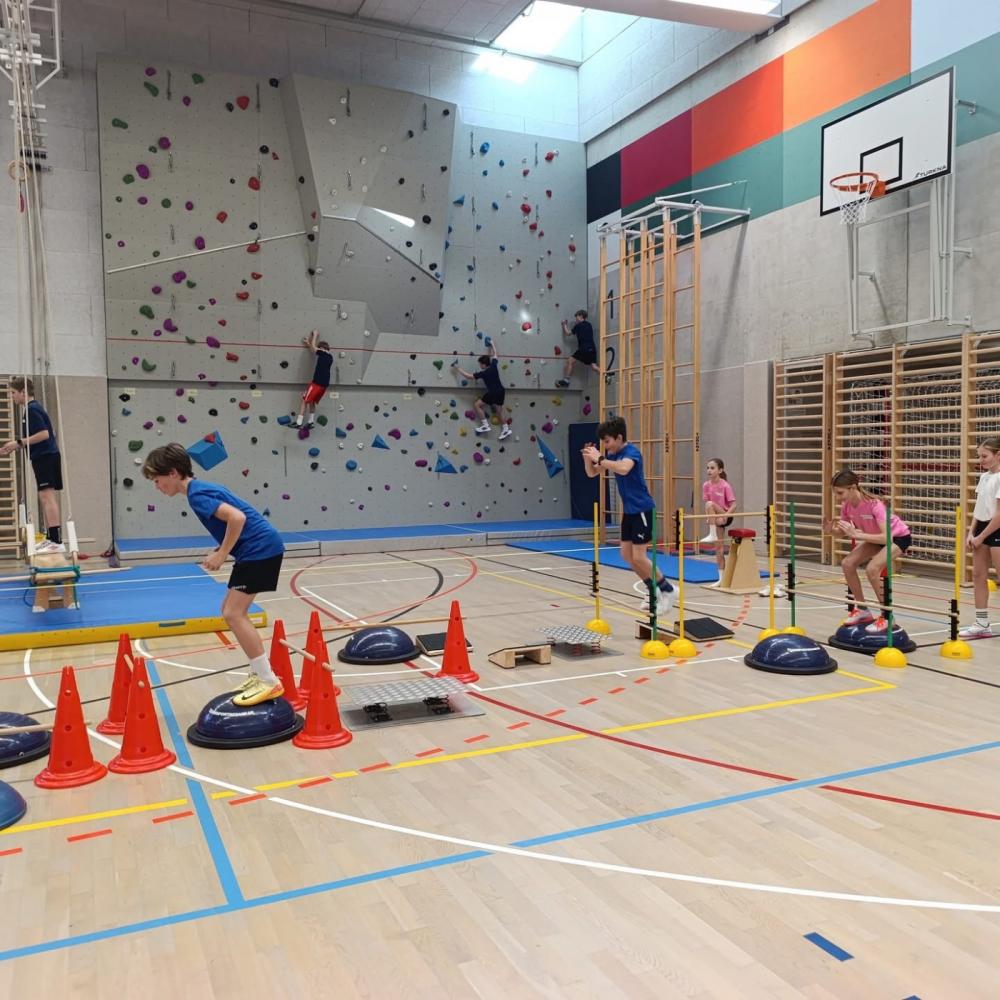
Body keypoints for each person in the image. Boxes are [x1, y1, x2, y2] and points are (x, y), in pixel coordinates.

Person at [142, 443, 286, 706]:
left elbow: (237, 518)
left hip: (260, 550)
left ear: (173, 473)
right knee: (230, 610)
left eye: (157, 480)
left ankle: (268, 680)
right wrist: (222, 548)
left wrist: (222, 555)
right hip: (257, 549)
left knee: (233, 613)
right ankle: (259, 674)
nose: (157, 486)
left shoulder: (197, 494)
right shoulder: (200, 489)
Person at [582, 416, 674, 613]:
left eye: (607, 441)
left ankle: (668, 590)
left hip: (642, 510)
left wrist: (600, 458)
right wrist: (587, 458)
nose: (606, 446)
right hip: (630, 512)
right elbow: (592, 473)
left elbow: (624, 469)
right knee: (626, 555)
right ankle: (652, 589)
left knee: (639, 557)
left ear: (619, 437)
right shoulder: (613, 455)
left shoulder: (631, 452)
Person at [827, 470, 913, 634]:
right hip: (875, 538)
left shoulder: (875, 505)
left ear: (853, 488)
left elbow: (886, 538)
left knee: (872, 569)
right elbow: (842, 532)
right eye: (835, 493)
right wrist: (831, 530)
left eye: (840, 493)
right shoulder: (847, 506)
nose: (837, 497)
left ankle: (887, 616)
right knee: (847, 564)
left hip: (897, 538)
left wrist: (857, 535)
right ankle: (862, 610)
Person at [0, 377, 65, 553]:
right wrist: (15, 446)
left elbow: (44, 434)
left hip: (46, 457)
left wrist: (18, 443)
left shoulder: (32, 409)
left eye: (13, 393)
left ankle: (56, 540)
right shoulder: (31, 409)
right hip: (43, 456)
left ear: (24, 392)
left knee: (47, 497)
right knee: (44, 497)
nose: (12, 397)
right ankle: (51, 538)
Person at [959, 437, 1000, 639]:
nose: (981, 460)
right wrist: (971, 532)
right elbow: (979, 507)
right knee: (977, 575)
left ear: (998, 455)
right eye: (979, 456)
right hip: (982, 527)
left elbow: (999, 514)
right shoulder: (984, 477)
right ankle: (982, 623)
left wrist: (982, 536)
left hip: (997, 527)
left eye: (984, 456)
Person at [457, 339, 512, 439]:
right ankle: (506, 429)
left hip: (492, 393)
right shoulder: (494, 365)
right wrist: (492, 343)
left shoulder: (484, 373)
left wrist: (458, 369)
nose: (479, 366)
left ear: (483, 364)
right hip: (501, 391)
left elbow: (469, 376)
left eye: (480, 364)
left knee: (477, 405)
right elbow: (495, 354)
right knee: (499, 411)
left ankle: (485, 425)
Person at [700, 459, 737, 581]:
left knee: (710, 503)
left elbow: (734, 505)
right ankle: (721, 579)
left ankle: (712, 533)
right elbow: (707, 505)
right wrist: (709, 517)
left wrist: (726, 515)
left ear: (720, 470)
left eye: (712, 468)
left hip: (725, 514)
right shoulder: (706, 485)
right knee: (719, 549)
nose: (709, 470)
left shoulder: (725, 485)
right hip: (715, 518)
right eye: (707, 468)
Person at [294, 329, 333, 429]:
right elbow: (313, 349)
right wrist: (308, 343)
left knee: (304, 400)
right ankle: (311, 422)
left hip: (317, 383)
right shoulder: (329, 356)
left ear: (322, 348)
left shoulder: (322, 352)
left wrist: (315, 335)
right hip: (323, 386)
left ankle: (299, 422)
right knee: (312, 401)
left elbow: (314, 348)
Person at [556, 310, 599, 388]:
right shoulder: (589, 325)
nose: (576, 319)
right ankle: (606, 374)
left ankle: (566, 381)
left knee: (570, 361)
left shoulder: (578, 326)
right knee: (594, 366)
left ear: (581, 316)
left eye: (576, 317)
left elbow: (568, 333)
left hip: (583, 349)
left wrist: (564, 324)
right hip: (592, 349)